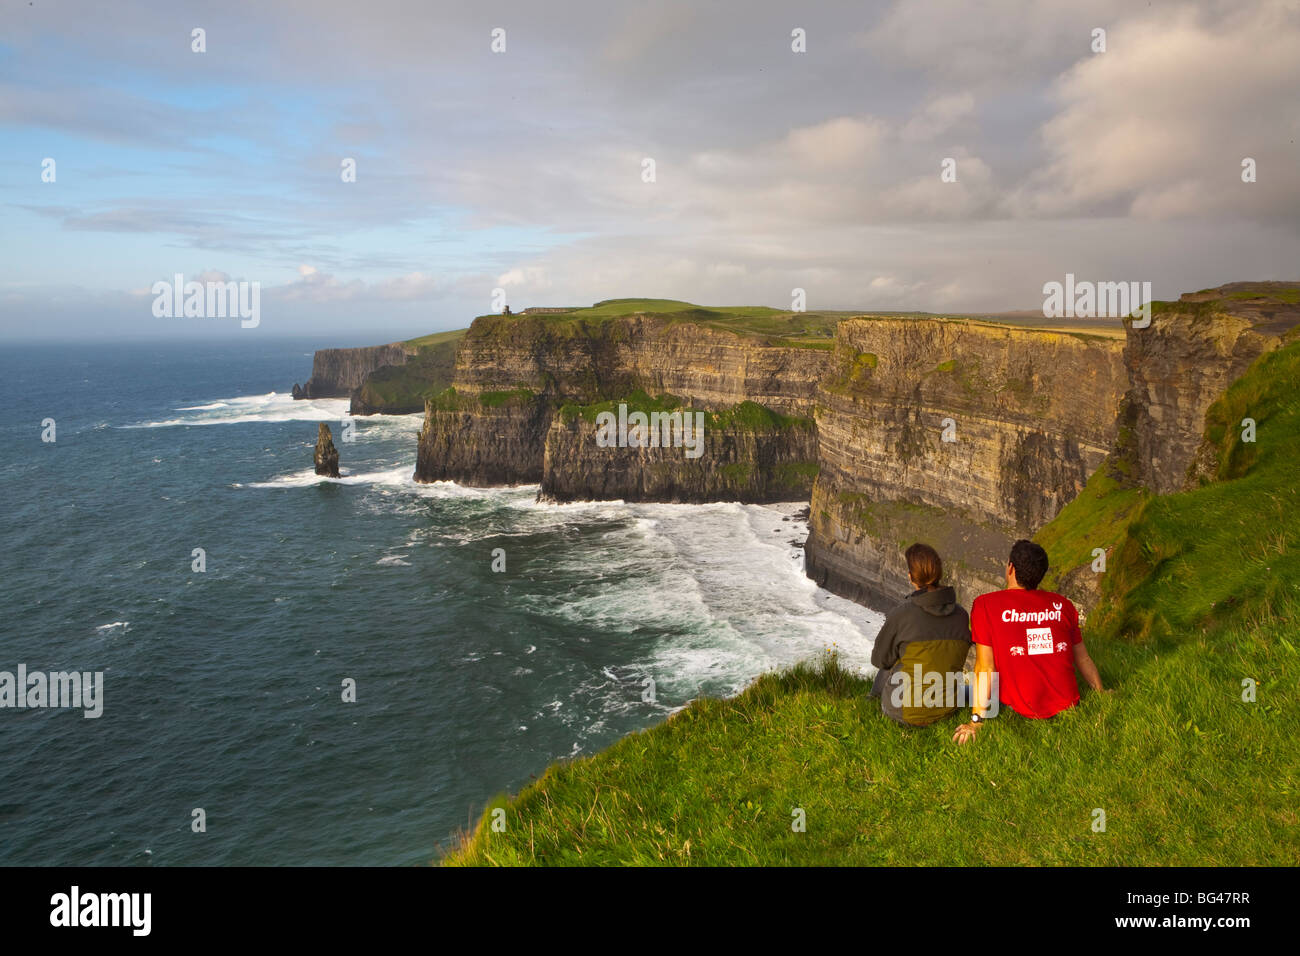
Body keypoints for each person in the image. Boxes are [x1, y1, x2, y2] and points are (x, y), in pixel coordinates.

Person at [953, 539, 1107, 744]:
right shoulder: (1063, 605)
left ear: (1010, 568)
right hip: (1067, 702)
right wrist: (1101, 692)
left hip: (1019, 706)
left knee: (958, 689)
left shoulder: (986, 605)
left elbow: (985, 667)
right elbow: (1083, 658)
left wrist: (976, 721)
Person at [869, 543, 971, 726]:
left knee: (894, 657)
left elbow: (880, 660)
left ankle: (871, 699)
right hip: (947, 708)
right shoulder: (962, 615)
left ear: (911, 577)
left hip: (903, 712)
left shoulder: (903, 614)